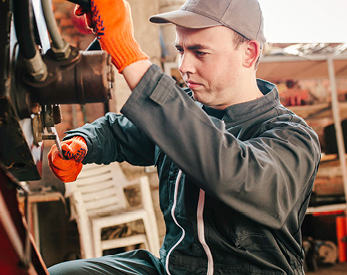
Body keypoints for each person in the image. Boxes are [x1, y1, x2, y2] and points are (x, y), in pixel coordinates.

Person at [47, 0, 321, 274]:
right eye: (181, 50)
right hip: (172, 268)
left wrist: (129, 54)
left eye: (200, 52)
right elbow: (119, 131)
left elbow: (232, 173)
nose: (184, 66)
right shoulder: (184, 111)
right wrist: (84, 142)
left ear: (249, 53)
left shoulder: (293, 138)